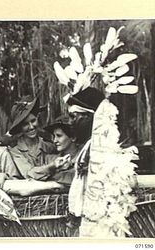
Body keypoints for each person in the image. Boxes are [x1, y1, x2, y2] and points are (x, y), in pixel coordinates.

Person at [64, 87, 105, 231]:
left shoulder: (101, 148)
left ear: (89, 118)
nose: (69, 123)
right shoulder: (89, 146)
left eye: (73, 116)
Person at [8, 95, 56, 180]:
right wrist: (54, 165)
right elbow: (30, 174)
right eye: (25, 124)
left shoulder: (49, 145)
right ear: (19, 127)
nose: (31, 127)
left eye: (33, 121)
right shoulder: (15, 151)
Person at [44, 115, 80, 186]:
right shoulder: (51, 159)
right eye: (54, 136)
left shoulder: (83, 159)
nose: (54, 140)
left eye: (59, 136)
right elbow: (31, 174)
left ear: (73, 137)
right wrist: (52, 166)